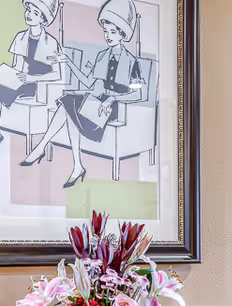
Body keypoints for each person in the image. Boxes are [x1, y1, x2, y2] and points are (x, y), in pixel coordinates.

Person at [19, 0, 143, 188]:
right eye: (106, 31)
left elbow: (138, 95)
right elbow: (90, 84)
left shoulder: (131, 61)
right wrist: (68, 61)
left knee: (69, 106)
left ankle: (44, 149)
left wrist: (112, 98)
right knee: (69, 103)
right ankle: (74, 164)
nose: (108, 36)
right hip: (96, 103)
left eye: (113, 32)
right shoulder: (102, 56)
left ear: (123, 34)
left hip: (115, 108)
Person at [0, 0, 63, 154]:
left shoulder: (52, 43)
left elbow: (57, 74)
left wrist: (31, 78)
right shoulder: (21, 36)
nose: (29, 15)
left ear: (43, 19)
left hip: (35, 85)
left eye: (35, 13)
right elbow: (17, 66)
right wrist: (6, 75)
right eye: (28, 10)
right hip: (19, 79)